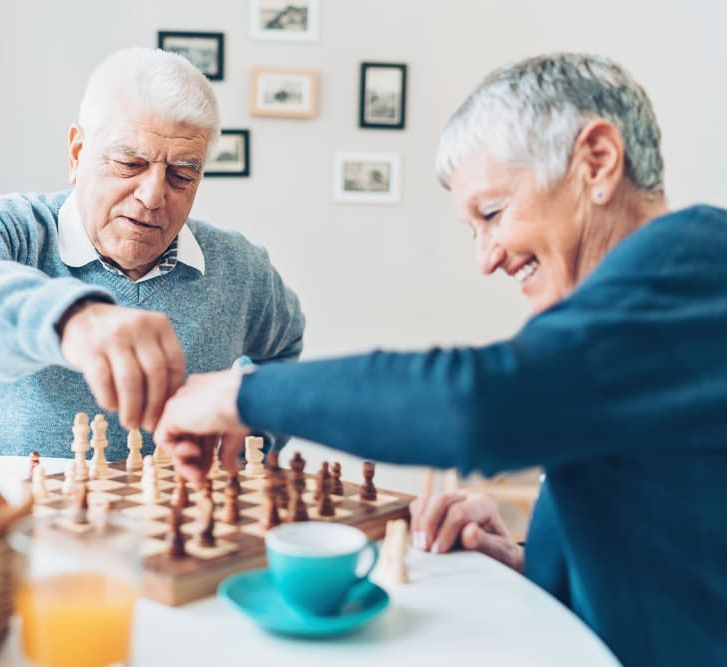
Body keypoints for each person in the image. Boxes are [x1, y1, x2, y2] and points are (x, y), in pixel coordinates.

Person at [155, 53, 727, 667]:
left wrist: (237, 395)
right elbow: (672, 541)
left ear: (598, 161)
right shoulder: (648, 297)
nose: (487, 258)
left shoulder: (691, 272)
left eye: (492, 213)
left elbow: (476, 403)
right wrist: (524, 558)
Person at [0, 47, 304, 459]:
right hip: (18, 518)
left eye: (181, 174)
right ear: (78, 153)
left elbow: (283, 352)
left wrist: (252, 426)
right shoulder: (15, 231)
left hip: (172, 523)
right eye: (129, 163)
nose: (153, 196)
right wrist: (70, 318)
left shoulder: (241, 268)